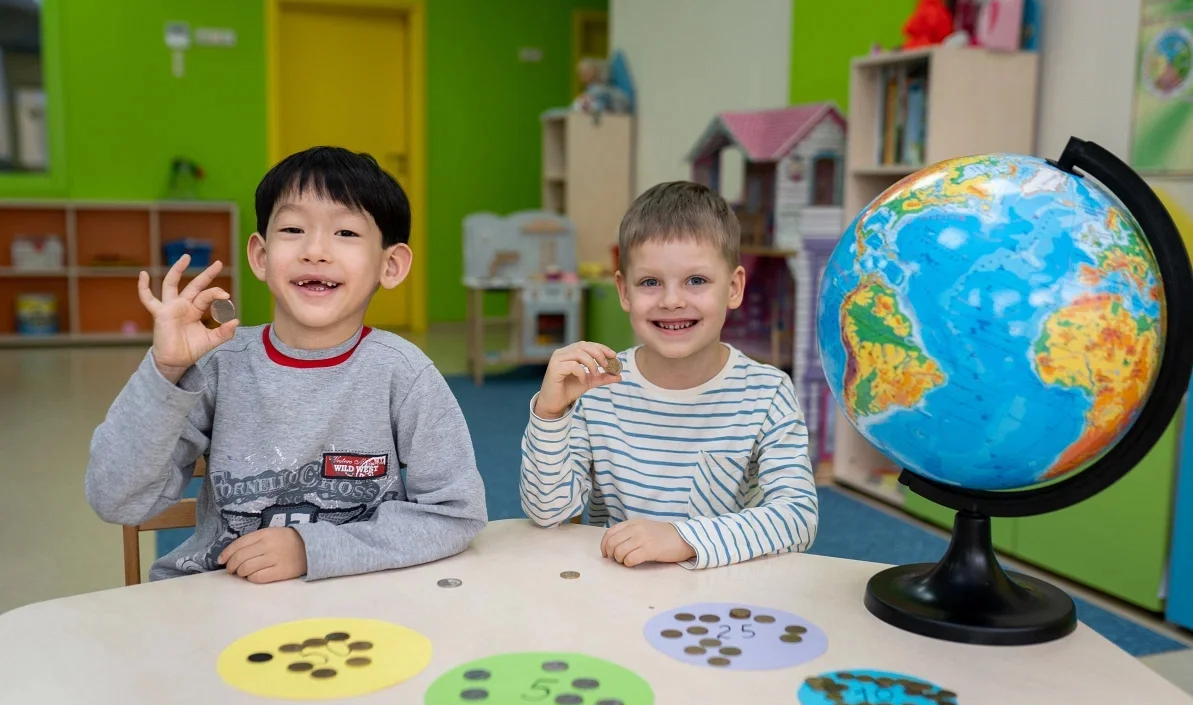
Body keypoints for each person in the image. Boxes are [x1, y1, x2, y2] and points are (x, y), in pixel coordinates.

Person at [85, 147, 486, 583]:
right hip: (221, 596)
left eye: (346, 233)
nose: (315, 250)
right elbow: (116, 500)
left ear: (390, 265)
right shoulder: (217, 366)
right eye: (293, 228)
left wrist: (310, 549)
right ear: (260, 256)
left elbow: (455, 515)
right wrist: (164, 371)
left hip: (356, 595)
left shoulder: (404, 375)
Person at [519, 181, 818, 569]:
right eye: (650, 282)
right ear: (624, 292)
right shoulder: (596, 387)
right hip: (616, 589)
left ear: (734, 287)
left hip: (718, 596)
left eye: (696, 281)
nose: (672, 301)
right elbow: (547, 514)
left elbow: (798, 518)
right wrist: (549, 415)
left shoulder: (767, 392)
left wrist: (683, 538)